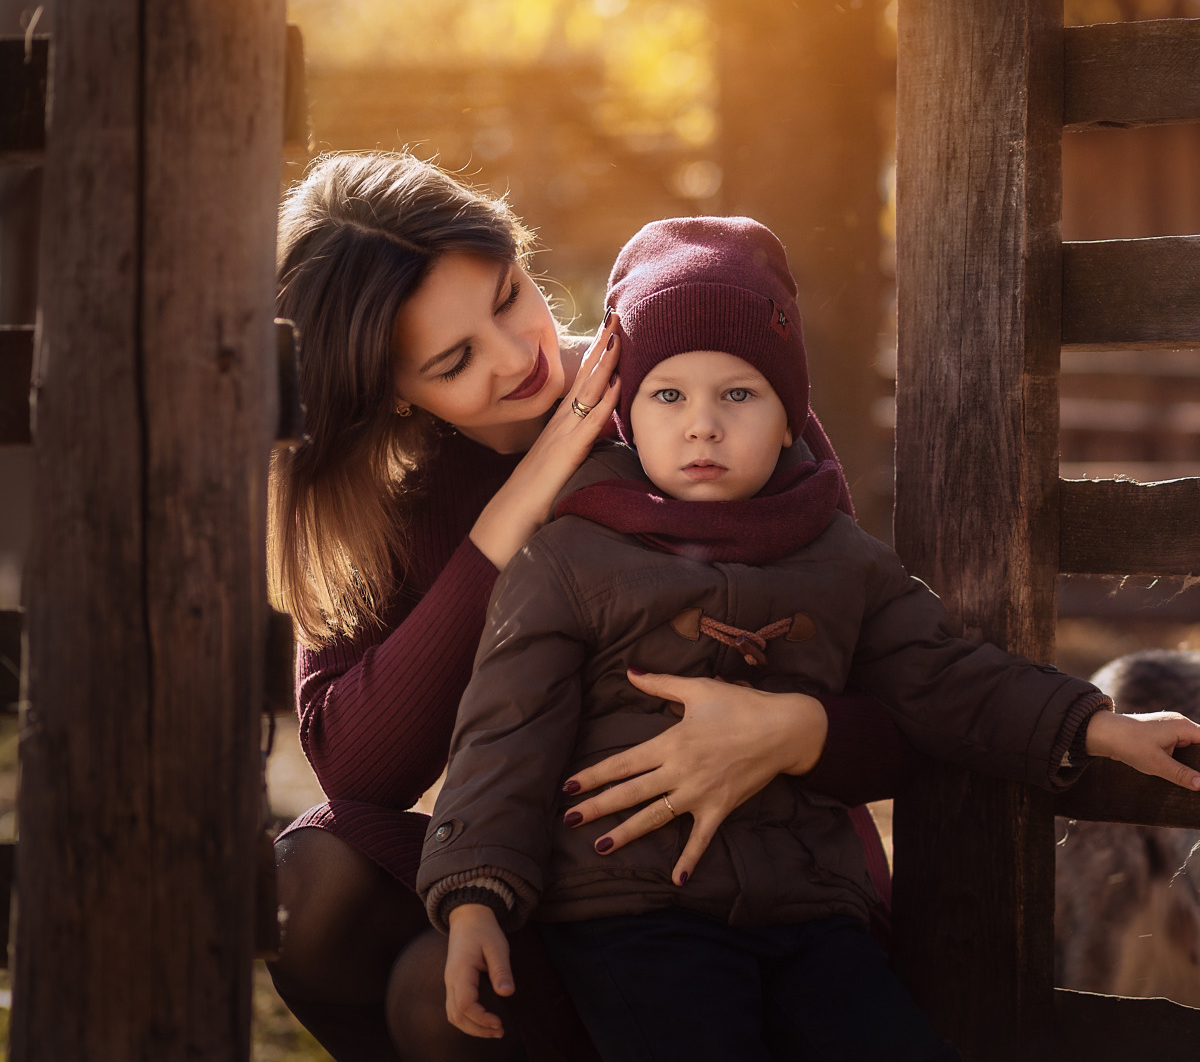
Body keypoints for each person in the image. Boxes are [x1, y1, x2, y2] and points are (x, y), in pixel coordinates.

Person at [419, 217, 1200, 1062]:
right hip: (631, 911)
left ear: (788, 415)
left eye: (738, 394)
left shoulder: (842, 557)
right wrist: (475, 897)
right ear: (625, 411)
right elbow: (505, 731)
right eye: (668, 395)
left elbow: (947, 675)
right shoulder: (569, 556)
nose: (702, 425)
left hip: (808, 910)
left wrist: (1100, 727)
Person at [267, 154, 906, 1062]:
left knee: (431, 995)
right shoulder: (390, 498)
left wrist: (793, 729)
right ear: (389, 396)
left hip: (742, 889)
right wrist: (516, 508)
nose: (518, 356)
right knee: (308, 885)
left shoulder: (696, 399)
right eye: (453, 361)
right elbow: (357, 772)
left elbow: (900, 686)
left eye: (507, 296)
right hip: (531, 859)